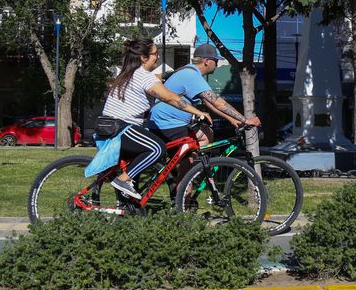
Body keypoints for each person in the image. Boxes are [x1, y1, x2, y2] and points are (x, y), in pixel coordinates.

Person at [100, 39, 211, 199]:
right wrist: (198, 113)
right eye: (155, 54)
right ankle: (123, 180)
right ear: (144, 58)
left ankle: (126, 203)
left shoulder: (128, 74)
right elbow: (171, 98)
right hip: (121, 128)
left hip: (108, 126)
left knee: (139, 156)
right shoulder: (144, 76)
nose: (157, 57)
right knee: (158, 148)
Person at [148, 43, 260, 179]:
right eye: (216, 61)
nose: (217, 65)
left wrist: (232, 120)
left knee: (206, 133)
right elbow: (217, 101)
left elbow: (209, 102)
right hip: (169, 124)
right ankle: (186, 183)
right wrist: (245, 119)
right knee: (187, 168)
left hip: (164, 122)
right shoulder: (191, 75)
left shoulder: (188, 71)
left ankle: (185, 178)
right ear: (206, 61)